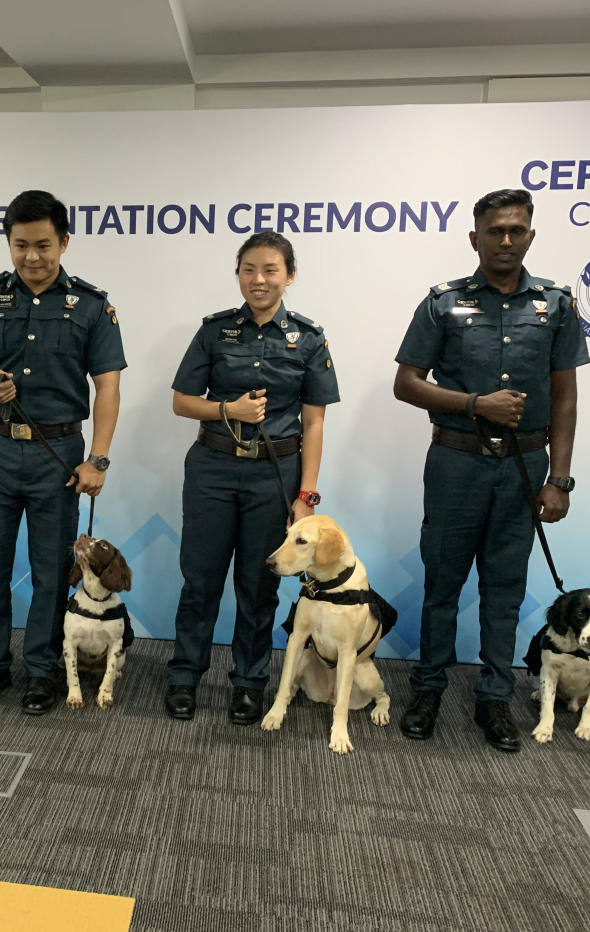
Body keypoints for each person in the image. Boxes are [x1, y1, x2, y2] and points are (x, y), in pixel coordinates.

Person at [393, 188, 589, 752]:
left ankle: (494, 698)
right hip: (456, 462)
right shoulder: (443, 303)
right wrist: (477, 404)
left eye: (516, 230)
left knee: (505, 589)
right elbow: (406, 384)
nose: (506, 240)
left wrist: (560, 478)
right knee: (442, 585)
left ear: (531, 234)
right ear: (473, 237)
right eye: (495, 230)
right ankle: (427, 689)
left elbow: (565, 398)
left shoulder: (556, 304)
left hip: (526, 466)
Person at [0, 189, 126, 715]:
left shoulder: (91, 305)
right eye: (20, 245)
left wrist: (100, 458)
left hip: (60, 455)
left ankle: (42, 670)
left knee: (50, 570)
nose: (32, 257)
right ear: (9, 243)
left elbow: (108, 387)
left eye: (43, 245)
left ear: (64, 242)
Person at [164, 232, 339, 725]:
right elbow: (181, 401)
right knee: (200, 579)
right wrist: (229, 409)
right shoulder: (214, 332)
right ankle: (184, 675)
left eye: (270, 270)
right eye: (248, 270)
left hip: (275, 474)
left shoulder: (308, 338)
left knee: (259, 585)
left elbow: (315, 421)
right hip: (213, 468)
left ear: (289, 275)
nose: (258, 280)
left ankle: (248, 682)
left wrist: (306, 495)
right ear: (238, 273)